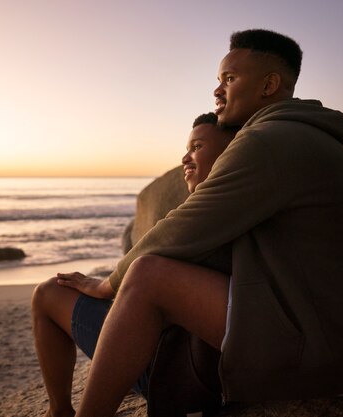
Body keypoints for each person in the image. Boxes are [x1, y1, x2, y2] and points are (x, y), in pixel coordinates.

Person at [61, 29, 343, 417]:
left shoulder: (268, 140)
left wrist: (106, 283)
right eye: (218, 80)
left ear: (269, 84)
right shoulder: (311, 135)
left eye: (230, 79)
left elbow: (183, 227)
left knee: (148, 274)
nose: (217, 91)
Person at [31, 112, 238, 417]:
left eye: (197, 147)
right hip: (191, 365)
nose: (185, 157)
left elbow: (152, 273)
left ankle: (59, 411)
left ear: (231, 154)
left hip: (171, 373)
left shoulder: (210, 216)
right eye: (187, 148)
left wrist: (104, 286)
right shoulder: (249, 208)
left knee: (49, 293)